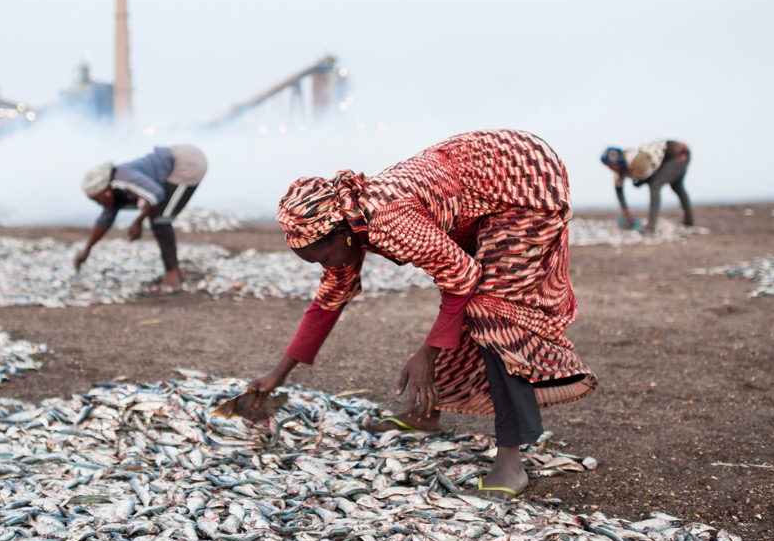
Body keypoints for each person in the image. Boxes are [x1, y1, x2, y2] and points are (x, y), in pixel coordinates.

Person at [249, 129, 597, 499]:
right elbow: (329, 300)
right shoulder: (345, 222)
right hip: (473, 186)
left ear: (342, 236)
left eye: (323, 257)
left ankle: (510, 461)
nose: (326, 266)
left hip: (521, 183)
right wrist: (277, 374)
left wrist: (426, 354)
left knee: (491, 309)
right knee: (468, 304)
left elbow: (462, 277)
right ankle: (425, 413)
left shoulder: (388, 219)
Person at [74, 144, 208, 292]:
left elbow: (157, 195)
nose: (99, 204)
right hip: (176, 159)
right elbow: (104, 221)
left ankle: (172, 278)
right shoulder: (113, 193)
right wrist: (86, 250)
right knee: (157, 216)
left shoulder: (123, 180)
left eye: (97, 200)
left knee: (160, 219)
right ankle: (176, 272)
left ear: (105, 192)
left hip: (187, 162)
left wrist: (137, 223)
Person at [600, 140, 694, 234]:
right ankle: (689, 221)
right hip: (667, 159)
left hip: (678, 154)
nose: (612, 168)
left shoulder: (636, 161)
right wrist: (626, 214)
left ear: (618, 161)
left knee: (655, 185)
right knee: (677, 187)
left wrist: (638, 182)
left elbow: (649, 176)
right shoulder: (619, 172)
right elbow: (619, 191)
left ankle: (651, 227)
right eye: (609, 166)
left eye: (612, 165)